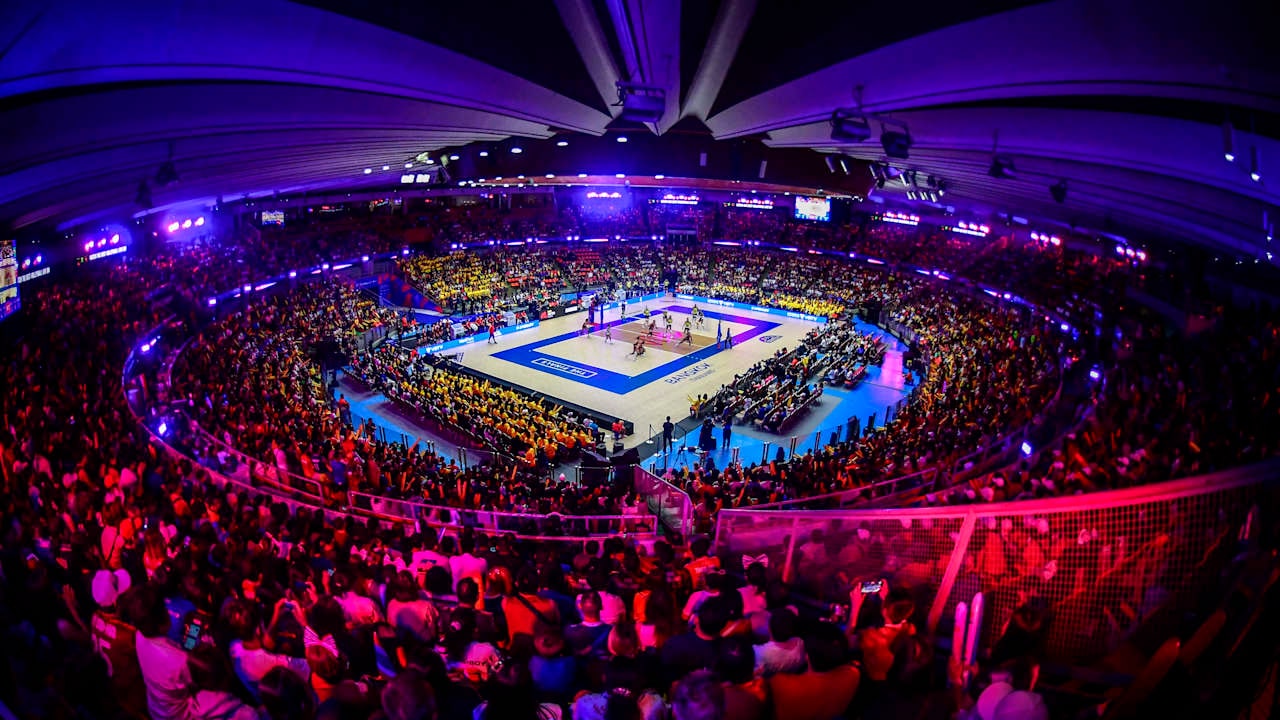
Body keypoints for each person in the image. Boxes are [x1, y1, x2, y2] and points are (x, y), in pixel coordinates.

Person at [133, 583, 193, 720]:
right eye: (165, 610)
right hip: (178, 715)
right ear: (162, 623)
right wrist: (195, 630)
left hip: (155, 709)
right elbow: (193, 684)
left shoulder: (139, 636)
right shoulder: (179, 661)